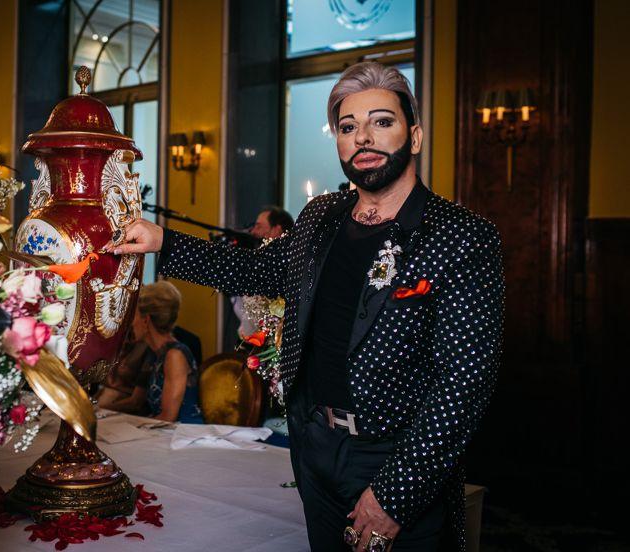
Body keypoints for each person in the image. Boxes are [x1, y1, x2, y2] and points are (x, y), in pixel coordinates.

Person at [106, 61, 503, 551]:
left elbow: (464, 385)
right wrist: (162, 241)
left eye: (382, 121)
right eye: (348, 126)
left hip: (393, 455)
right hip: (312, 443)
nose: (364, 137)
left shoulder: (461, 236)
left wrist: (394, 497)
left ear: (414, 137)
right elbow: (253, 271)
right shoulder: (321, 217)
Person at [107, 280, 202, 423]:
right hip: (163, 432)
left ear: (146, 320)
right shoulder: (155, 353)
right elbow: (136, 401)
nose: (130, 322)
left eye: (134, 316)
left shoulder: (174, 356)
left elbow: (168, 417)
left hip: (183, 436)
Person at [233, 207, 295, 336]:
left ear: (277, 230)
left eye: (259, 227)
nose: (253, 231)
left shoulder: (287, 270)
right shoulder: (257, 266)